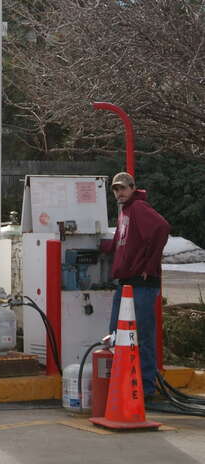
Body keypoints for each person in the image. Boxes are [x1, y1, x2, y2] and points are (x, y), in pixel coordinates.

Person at [102, 171, 170, 400]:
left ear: (132, 188)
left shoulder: (139, 208)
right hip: (126, 283)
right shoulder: (125, 211)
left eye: (123, 188)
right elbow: (119, 242)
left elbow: (162, 228)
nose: (119, 192)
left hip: (141, 283)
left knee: (140, 336)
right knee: (115, 334)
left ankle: (147, 388)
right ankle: (125, 384)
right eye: (115, 189)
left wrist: (149, 266)